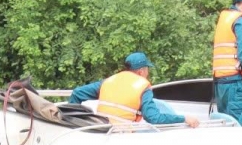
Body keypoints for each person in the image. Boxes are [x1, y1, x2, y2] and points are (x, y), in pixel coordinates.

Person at [67, 53, 201, 127]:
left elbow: (77, 93)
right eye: (147, 69)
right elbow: (153, 118)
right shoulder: (143, 87)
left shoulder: (108, 81)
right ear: (141, 71)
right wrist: (184, 118)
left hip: (99, 128)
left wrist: (73, 122)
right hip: (121, 134)